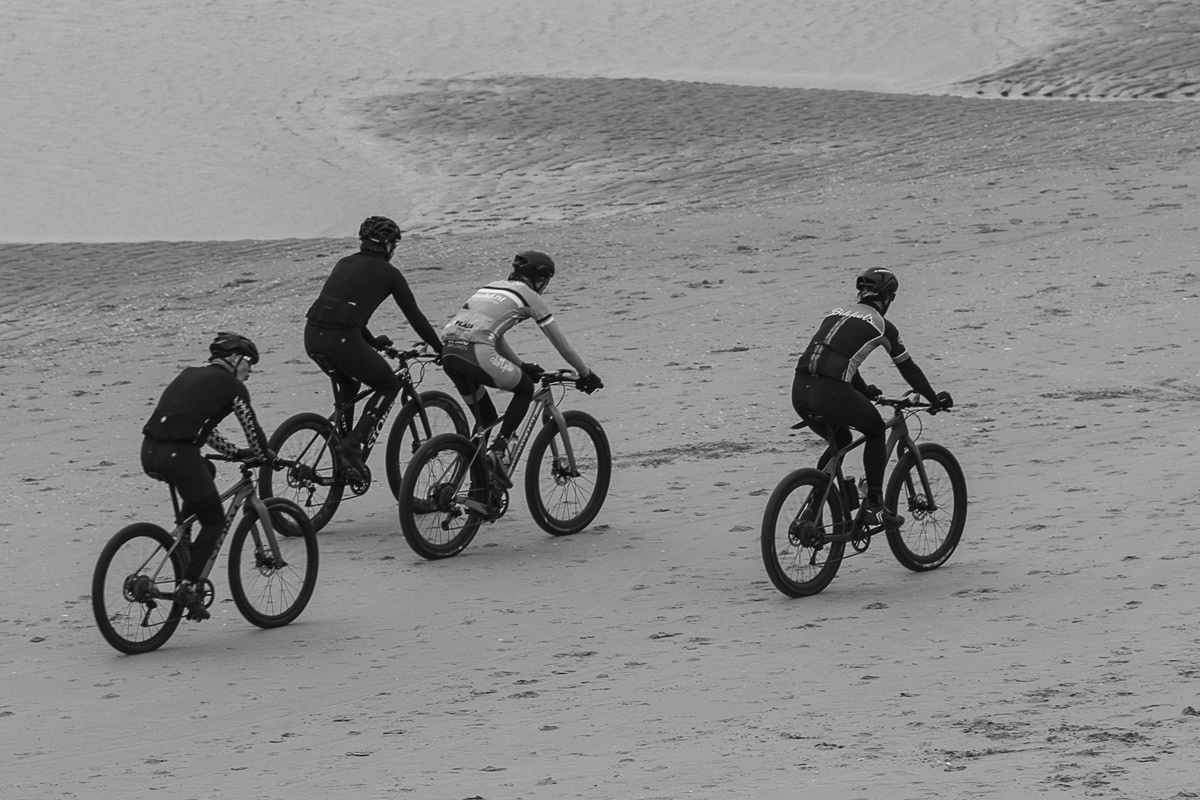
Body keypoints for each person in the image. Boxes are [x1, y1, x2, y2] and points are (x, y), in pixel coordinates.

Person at [792, 267, 952, 529]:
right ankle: (876, 507)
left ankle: (812, 510)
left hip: (800, 390)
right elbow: (907, 367)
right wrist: (934, 398)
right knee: (876, 430)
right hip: (830, 391)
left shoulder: (835, 313)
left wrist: (864, 390)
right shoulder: (880, 324)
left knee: (841, 440)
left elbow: (838, 357)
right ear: (887, 298)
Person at [440, 250, 603, 485]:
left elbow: (491, 333)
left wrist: (521, 364)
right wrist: (586, 374)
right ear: (540, 280)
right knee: (525, 388)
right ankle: (498, 450)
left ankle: (469, 486)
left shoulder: (490, 287)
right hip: (477, 353)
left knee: (486, 420)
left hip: (450, 353)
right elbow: (563, 347)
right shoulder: (530, 296)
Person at [141, 332, 271, 621]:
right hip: (178, 456)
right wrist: (265, 455)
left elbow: (200, 427)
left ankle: (184, 538)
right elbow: (252, 428)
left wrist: (233, 451)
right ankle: (188, 585)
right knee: (214, 520)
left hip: (150, 451)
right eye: (249, 363)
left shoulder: (190, 374)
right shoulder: (232, 386)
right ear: (235, 359)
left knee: (206, 470)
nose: (249, 372)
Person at [304, 216, 444, 478]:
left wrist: (370, 341)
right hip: (342, 339)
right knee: (388, 384)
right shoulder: (389, 273)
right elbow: (415, 317)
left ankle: (343, 452)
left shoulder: (344, 263)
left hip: (312, 336)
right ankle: (353, 443)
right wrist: (440, 349)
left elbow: (341, 308)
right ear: (389, 245)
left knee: (350, 384)